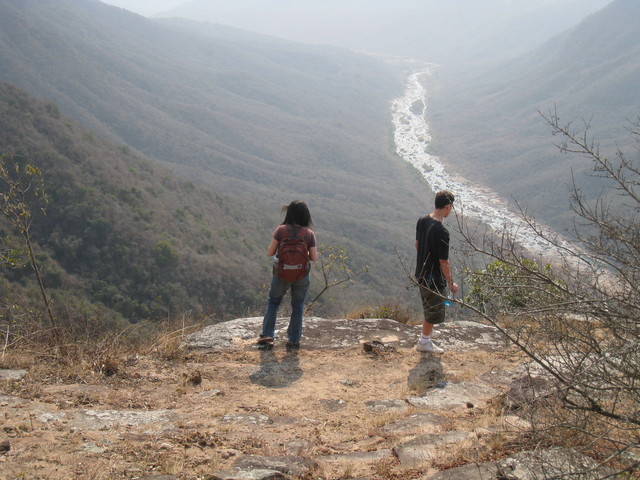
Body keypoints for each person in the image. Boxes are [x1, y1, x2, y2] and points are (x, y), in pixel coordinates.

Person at [258, 200, 317, 349]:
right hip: (301, 275)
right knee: (298, 305)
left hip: (281, 274)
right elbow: (314, 257)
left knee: (273, 302)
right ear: (306, 215)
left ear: (289, 214)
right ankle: (294, 339)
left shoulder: (281, 230)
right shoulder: (309, 234)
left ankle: (267, 334)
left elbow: (270, 252)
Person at [415, 190, 459, 353]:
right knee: (433, 309)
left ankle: (429, 331)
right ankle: (424, 341)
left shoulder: (423, 220)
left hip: (421, 272)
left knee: (429, 304)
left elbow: (417, 244)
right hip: (433, 277)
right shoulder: (442, 232)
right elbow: (443, 261)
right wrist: (450, 282)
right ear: (448, 207)